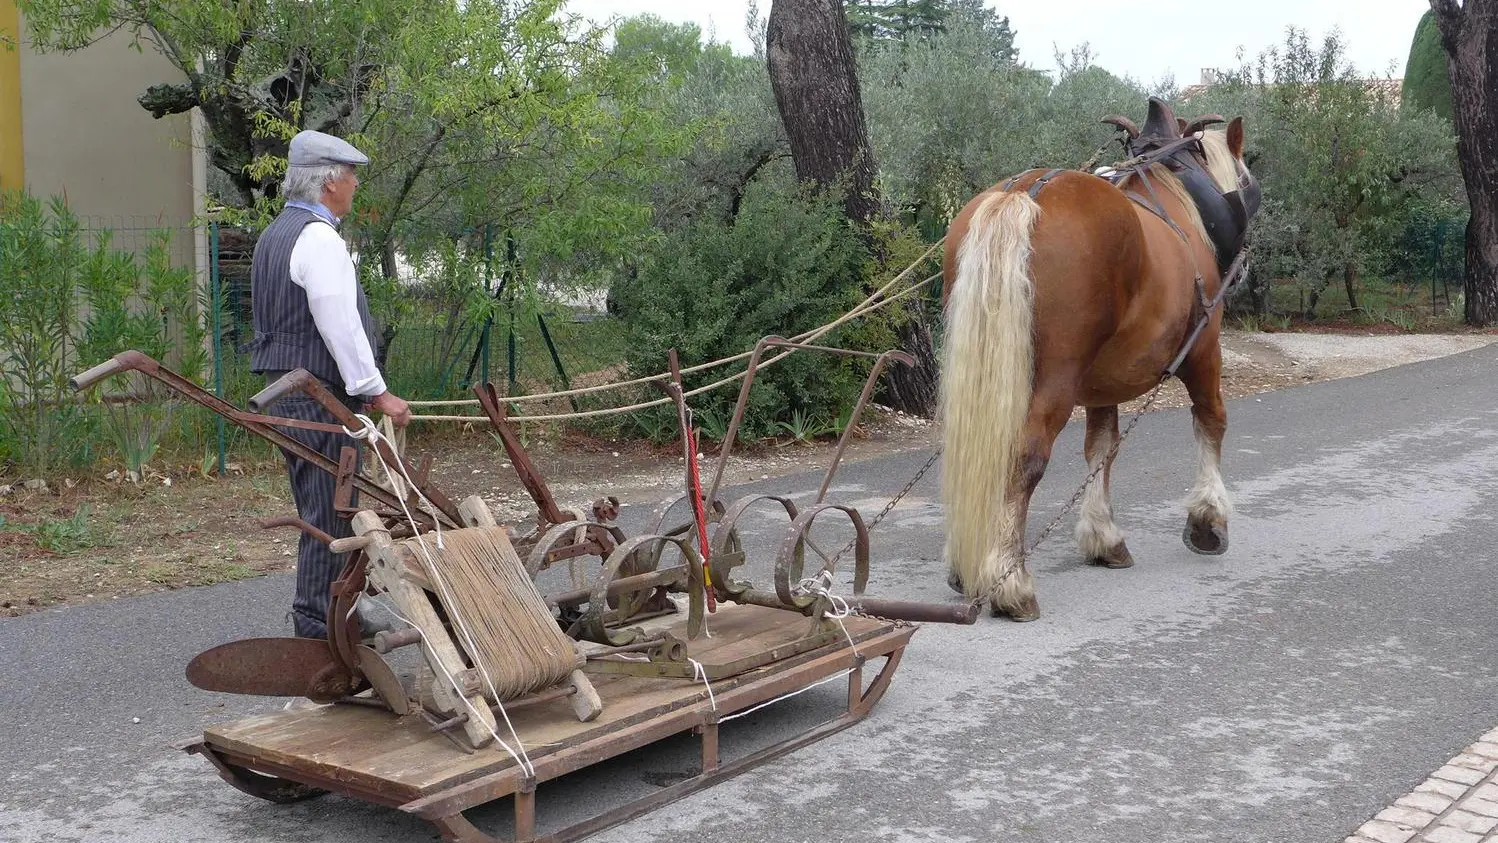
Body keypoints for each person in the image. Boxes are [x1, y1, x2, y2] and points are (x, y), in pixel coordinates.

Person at [247, 129, 411, 641]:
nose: (356, 185)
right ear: (331, 182)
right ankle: (321, 623)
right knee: (331, 507)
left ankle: (325, 614)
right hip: (317, 393)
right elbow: (339, 323)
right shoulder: (319, 238)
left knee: (319, 504)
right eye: (353, 175)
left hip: (286, 389)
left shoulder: (275, 234)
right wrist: (376, 392)